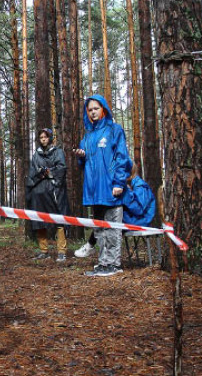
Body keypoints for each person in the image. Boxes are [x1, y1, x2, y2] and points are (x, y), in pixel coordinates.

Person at [73, 94, 131, 277]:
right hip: (94, 191)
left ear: (103, 108)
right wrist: (81, 156)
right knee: (100, 229)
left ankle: (114, 264)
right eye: (89, 110)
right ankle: (103, 262)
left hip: (112, 189)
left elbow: (122, 157)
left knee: (113, 228)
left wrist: (119, 183)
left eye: (96, 108)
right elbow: (83, 165)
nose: (93, 112)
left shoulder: (115, 130)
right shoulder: (87, 137)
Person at [75, 164, 156, 258]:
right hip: (131, 218)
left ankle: (95, 249)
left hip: (140, 220)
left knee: (109, 221)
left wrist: (125, 192)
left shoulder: (140, 187)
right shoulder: (129, 185)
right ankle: (95, 250)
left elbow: (138, 209)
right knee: (106, 215)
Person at [26, 128, 69, 262]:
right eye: (41, 137)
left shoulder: (58, 152)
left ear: (50, 138)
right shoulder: (36, 155)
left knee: (59, 219)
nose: (43, 139)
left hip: (55, 191)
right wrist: (40, 174)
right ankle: (44, 250)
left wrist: (49, 173)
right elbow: (32, 173)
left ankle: (61, 251)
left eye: (45, 137)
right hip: (39, 192)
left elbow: (61, 168)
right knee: (39, 220)